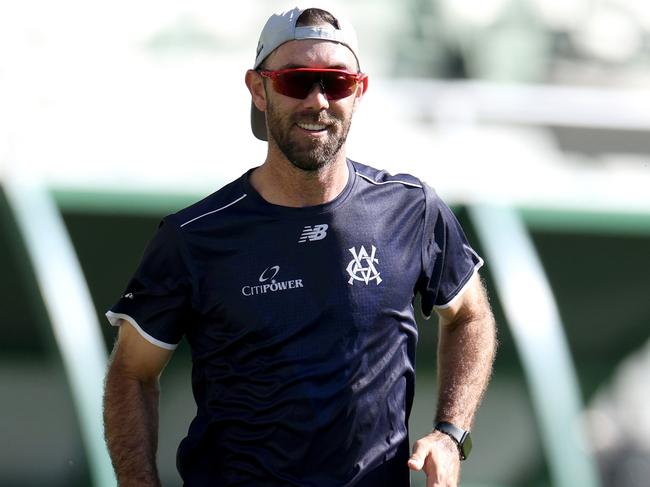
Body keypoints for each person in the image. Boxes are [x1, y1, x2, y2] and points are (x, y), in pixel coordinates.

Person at [103, 6, 497, 487]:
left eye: (336, 83)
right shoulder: (194, 236)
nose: (318, 100)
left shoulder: (412, 210)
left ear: (360, 90)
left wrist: (450, 434)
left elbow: (471, 315)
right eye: (297, 81)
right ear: (258, 88)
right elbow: (131, 374)